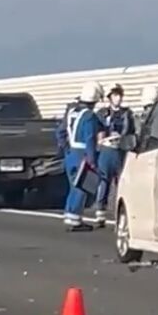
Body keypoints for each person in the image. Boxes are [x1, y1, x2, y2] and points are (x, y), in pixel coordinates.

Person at [56, 82, 104, 232]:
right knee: (82, 186)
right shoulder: (89, 116)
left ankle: (69, 213)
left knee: (73, 186)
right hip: (82, 154)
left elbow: (60, 132)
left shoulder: (71, 112)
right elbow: (90, 139)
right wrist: (92, 160)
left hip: (70, 153)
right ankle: (75, 219)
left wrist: (65, 147)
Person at [94, 84, 135, 228]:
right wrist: (102, 138)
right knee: (104, 181)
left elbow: (132, 131)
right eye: (115, 95)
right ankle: (100, 212)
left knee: (122, 182)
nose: (118, 98)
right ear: (109, 97)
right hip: (106, 150)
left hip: (121, 150)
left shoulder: (127, 113)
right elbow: (98, 130)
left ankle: (121, 214)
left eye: (119, 95)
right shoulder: (102, 113)